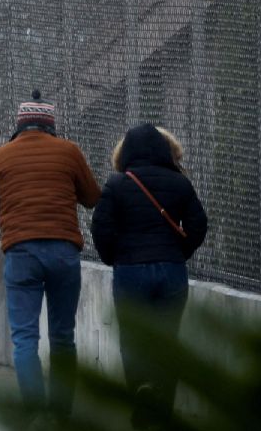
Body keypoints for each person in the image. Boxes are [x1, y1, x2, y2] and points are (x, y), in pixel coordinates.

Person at [0, 90, 101, 417]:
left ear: (19, 126)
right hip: (64, 252)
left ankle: (34, 414)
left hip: (21, 253)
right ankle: (62, 413)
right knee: (63, 337)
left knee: (25, 339)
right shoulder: (69, 151)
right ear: (50, 125)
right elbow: (92, 197)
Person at [91, 124, 208, 429]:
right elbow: (198, 224)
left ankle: (140, 397)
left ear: (125, 152)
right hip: (170, 271)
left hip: (130, 270)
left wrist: (114, 258)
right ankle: (163, 413)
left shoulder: (117, 185)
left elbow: (101, 228)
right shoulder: (180, 183)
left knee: (133, 340)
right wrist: (178, 253)